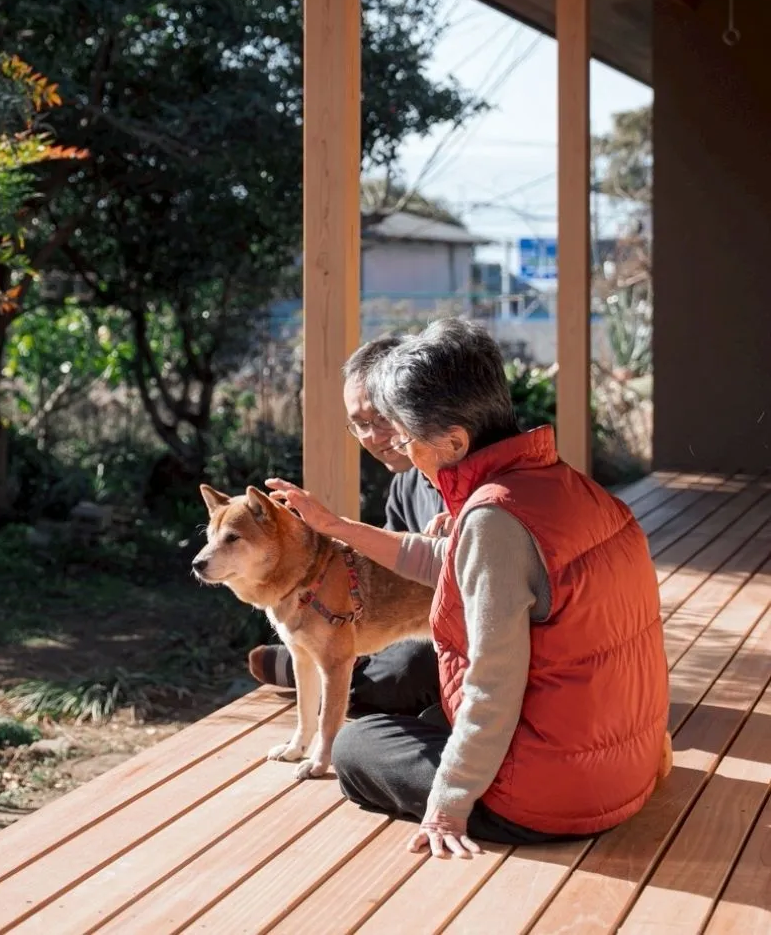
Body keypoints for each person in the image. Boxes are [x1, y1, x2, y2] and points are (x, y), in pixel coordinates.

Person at [268, 318, 669, 860]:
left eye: (405, 439)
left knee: (359, 746)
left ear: (454, 441)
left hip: (553, 798)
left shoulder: (492, 521)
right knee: (418, 703)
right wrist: (335, 527)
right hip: (626, 768)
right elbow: (451, 562)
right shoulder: (569, 488)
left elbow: (492, 684)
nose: (404, 453)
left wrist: (449, 802)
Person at [248, 336, 445, 712]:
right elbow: (385, 573)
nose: (373, 436)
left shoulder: (472, 484)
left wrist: (336, 526)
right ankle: (324, 660)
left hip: (452, 630)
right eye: (360, 424)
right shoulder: (404, 482)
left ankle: (323, 672)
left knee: (402, 671)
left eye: (382, 418)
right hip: (404, 624)